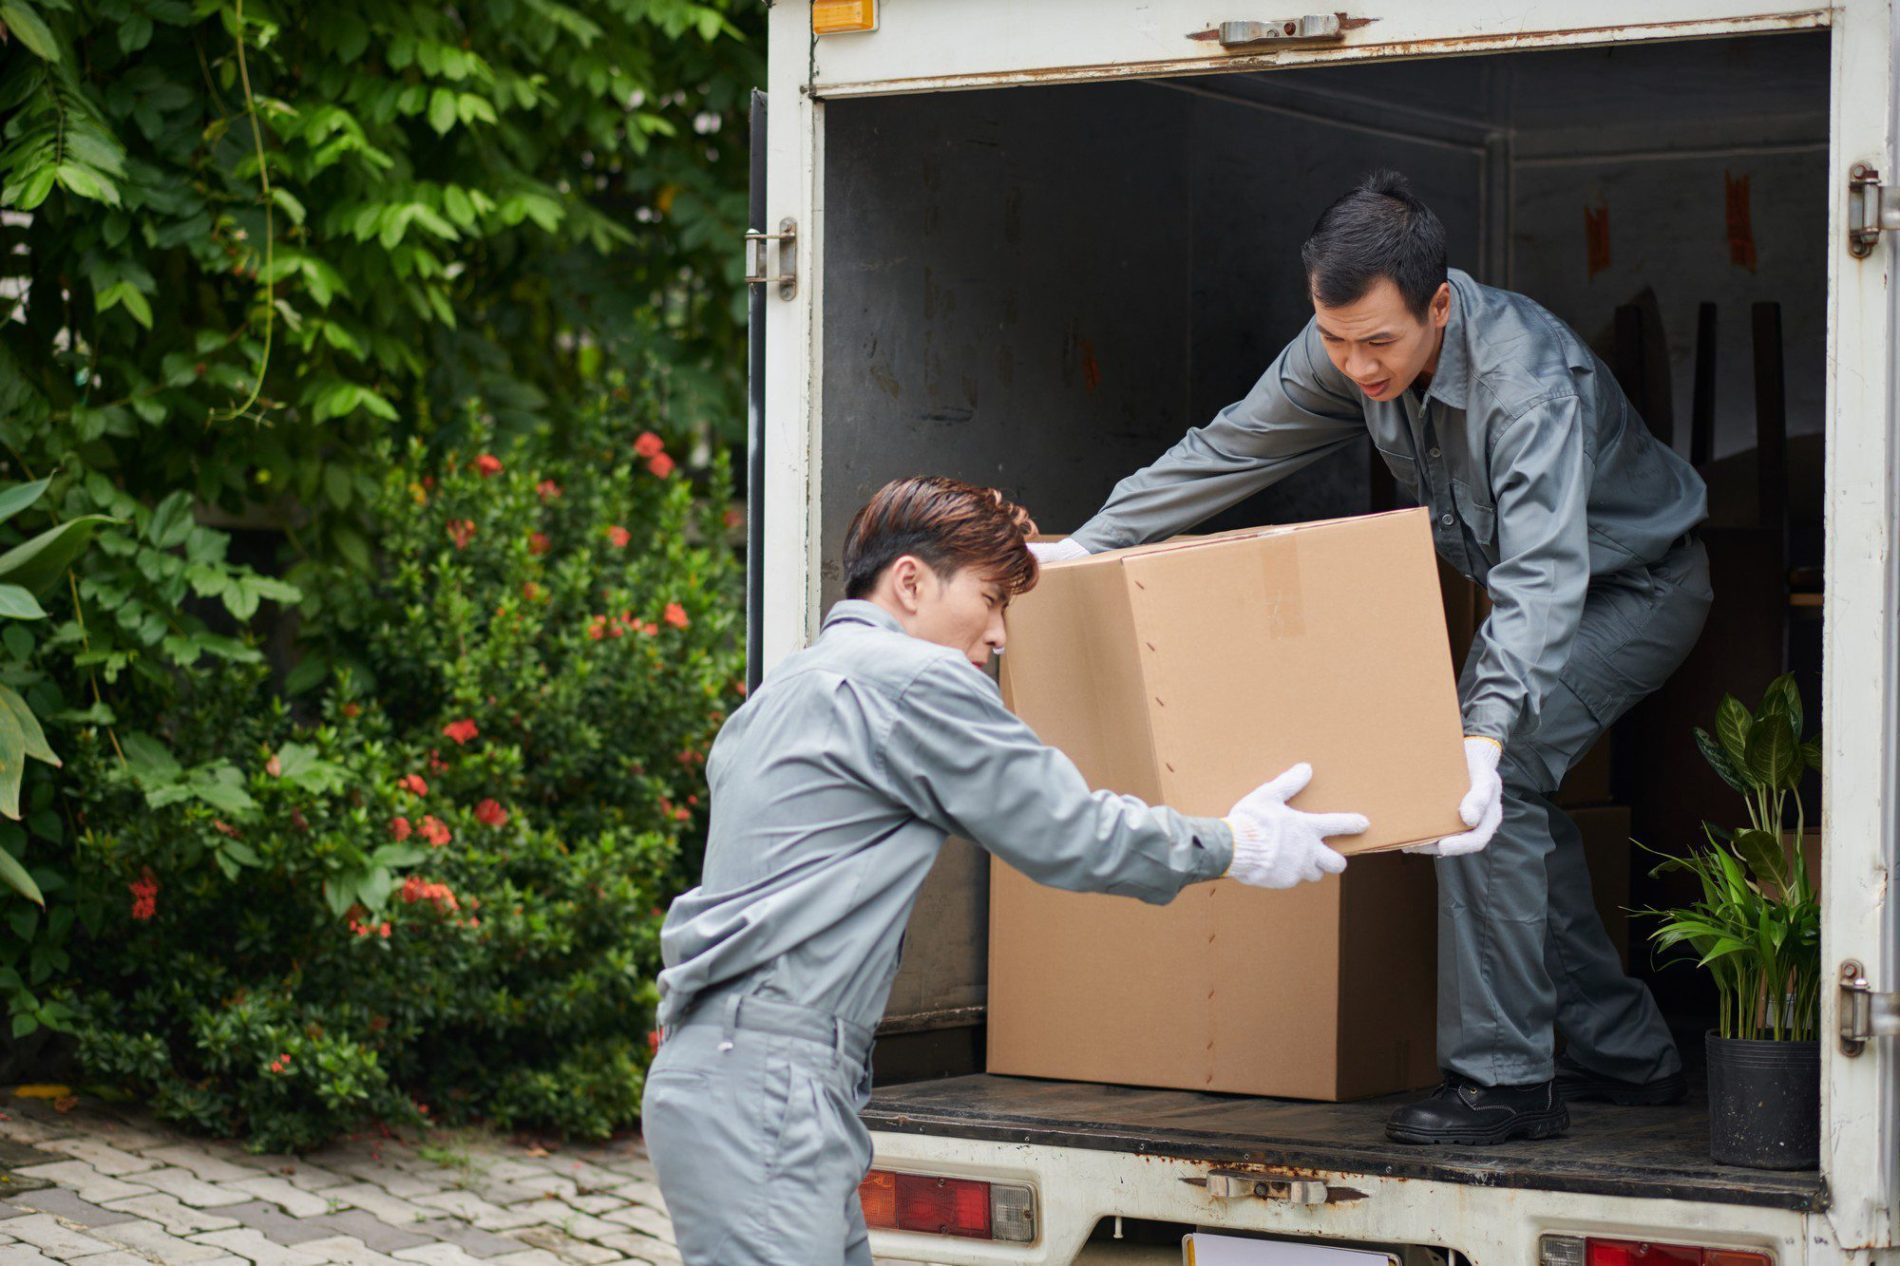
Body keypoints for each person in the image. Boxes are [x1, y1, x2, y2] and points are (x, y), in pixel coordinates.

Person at [1033, 171, 1711, 1146]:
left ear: (1438, 304)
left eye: (1377, 342)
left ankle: (1506, 1087)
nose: (1354, 365)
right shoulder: (1346, 345)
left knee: (1489, 784)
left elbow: (1543, 579)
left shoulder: (1525, 384)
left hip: (1632, 590)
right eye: (1334, 338)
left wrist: (1481, 733)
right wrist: (1089, 545)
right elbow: (1231, 450)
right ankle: (1630, 1056)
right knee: (1505, 808)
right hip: (1535, 591)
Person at [644, 476, 1371, 1265]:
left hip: (725, 1074)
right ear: (912, 581)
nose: (999, 636)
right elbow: (1070, 831)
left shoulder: (790, 684)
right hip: (773, 1084)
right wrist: (1236, 843)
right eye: (991, 600)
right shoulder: (915, 680)